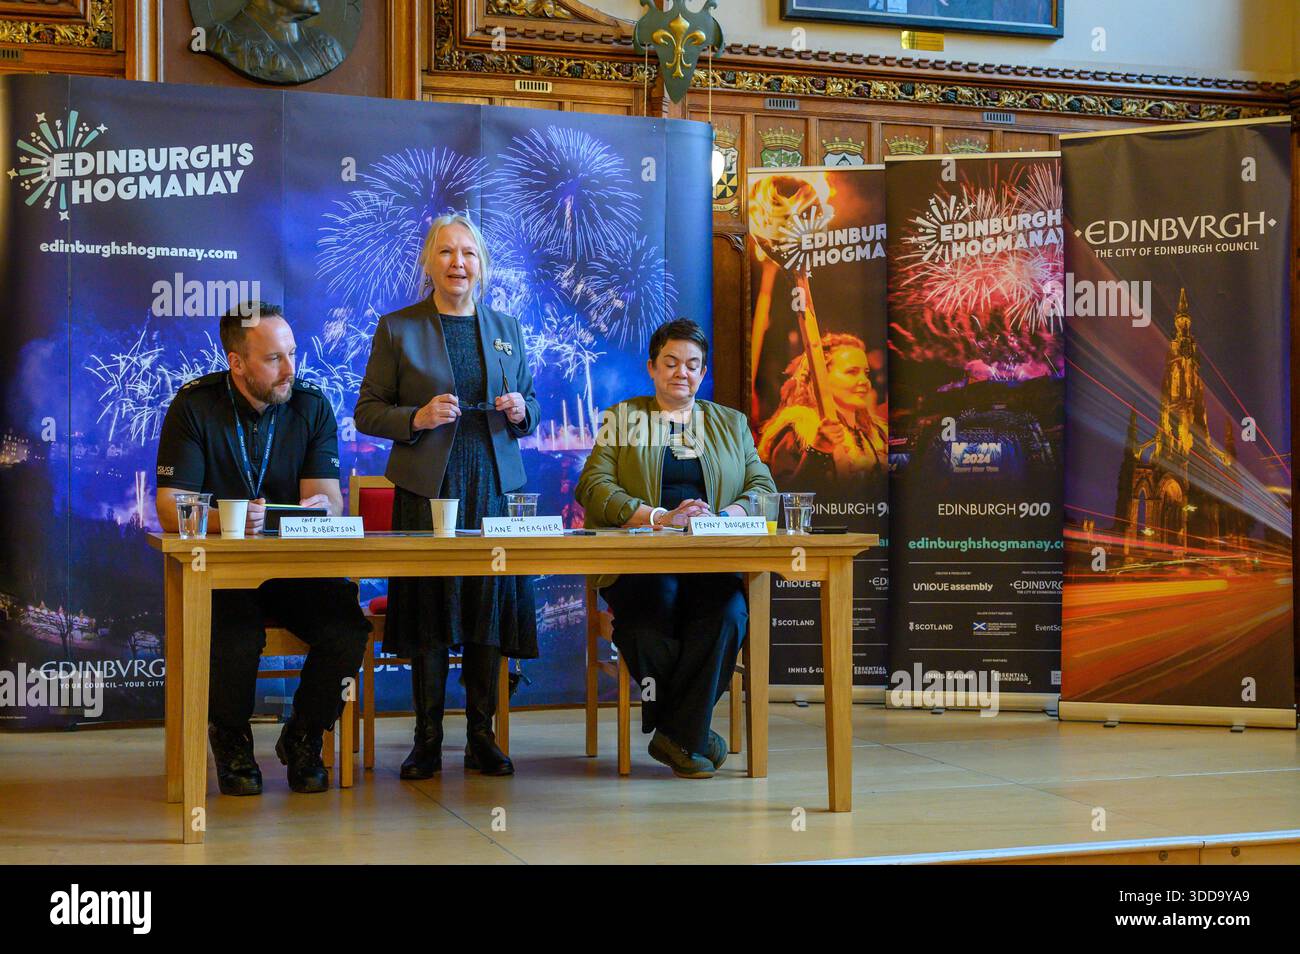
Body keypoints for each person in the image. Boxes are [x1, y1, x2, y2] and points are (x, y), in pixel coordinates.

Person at [155, 302, 370, 796]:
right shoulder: (194, 406)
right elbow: (170, 509)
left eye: (292, 353)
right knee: (234, 636)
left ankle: (304, 736)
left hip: (295, 569)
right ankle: (231, 740)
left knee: (346, 628)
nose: (290, 368)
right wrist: (230, 520)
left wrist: (321, 508)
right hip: (222, 573)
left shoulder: (311, 405)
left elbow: (329, 500)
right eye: (274, 358)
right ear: (237, 362)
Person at [354, 212, 540, 779]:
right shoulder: (398, 328)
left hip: (493, 485)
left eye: (468, 253)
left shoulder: (507, 326)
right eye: (446, 252)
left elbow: (532, 406)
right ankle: (427, 739)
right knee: (431, 612)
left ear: (482, 265)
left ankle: (481, 736)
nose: (458, 262)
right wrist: (417, 416)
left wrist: (522, 410)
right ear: (428, 263)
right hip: (427, 488)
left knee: (487, 608)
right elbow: (367, 412)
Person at [575, 318, 777, 778]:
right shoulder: (622, 419)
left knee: (728, 615)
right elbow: (593, 486)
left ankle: (677, 734)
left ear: (702, 372)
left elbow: (763, 488)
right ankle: (693, 734)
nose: (680, 372)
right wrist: (659, 517)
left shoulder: (731, 424)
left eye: (691, 364)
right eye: (670, 362)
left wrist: (721, 518)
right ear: (651, 367)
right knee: (647, 622)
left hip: (711, 561)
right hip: (638, 563)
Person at [757, 332, 887, 493]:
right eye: (852, 372)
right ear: (821, 377)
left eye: (866, 373)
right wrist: (818, 451)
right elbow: (783, 497)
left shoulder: (876, 434)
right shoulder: (798, 432)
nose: (864, 381)